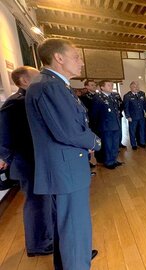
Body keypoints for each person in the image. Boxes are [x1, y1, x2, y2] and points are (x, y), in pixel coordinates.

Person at [25, 38, 100, 269]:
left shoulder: (53, 84)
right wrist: (95, 141)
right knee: (75, 228)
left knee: (66, 226)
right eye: (76, 56)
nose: (81, 62)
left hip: (64, 166)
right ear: (59, 57)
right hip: (66, 168)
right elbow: (68, 131)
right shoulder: (50, 86)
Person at [0, 66, 53, 257]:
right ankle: (37, 244)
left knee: (44, 201)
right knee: (36, 203)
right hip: (27, 162)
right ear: (24, 81)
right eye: (36, 77)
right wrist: (8, 158)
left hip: (36, 160)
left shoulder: (30, 99)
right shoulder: (15, 103)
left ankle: (46, 237)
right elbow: (4, 134)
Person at [91, 80, 123, 169]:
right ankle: (108, 162)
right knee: (108, 145)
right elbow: (94, 114)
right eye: (109, 85)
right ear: (102, 87)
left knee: (115, 145)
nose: (111, 86)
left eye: (112, 85)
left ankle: (114, 160)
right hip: (106, 126)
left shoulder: (113, 96)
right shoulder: (98, 98)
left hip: (116, 124)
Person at [123, 81, 146, 149]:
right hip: (133, 117)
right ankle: (133, 144)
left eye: (137, 86)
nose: (136, 88)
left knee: (142, 129)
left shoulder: (142, 94)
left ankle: (142, 142)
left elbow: (144, 104)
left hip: (141, 115)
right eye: (134, 87)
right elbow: (126, 107)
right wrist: (128, 116)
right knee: (132, 131)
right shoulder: (127, 96)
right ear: (131, 88)